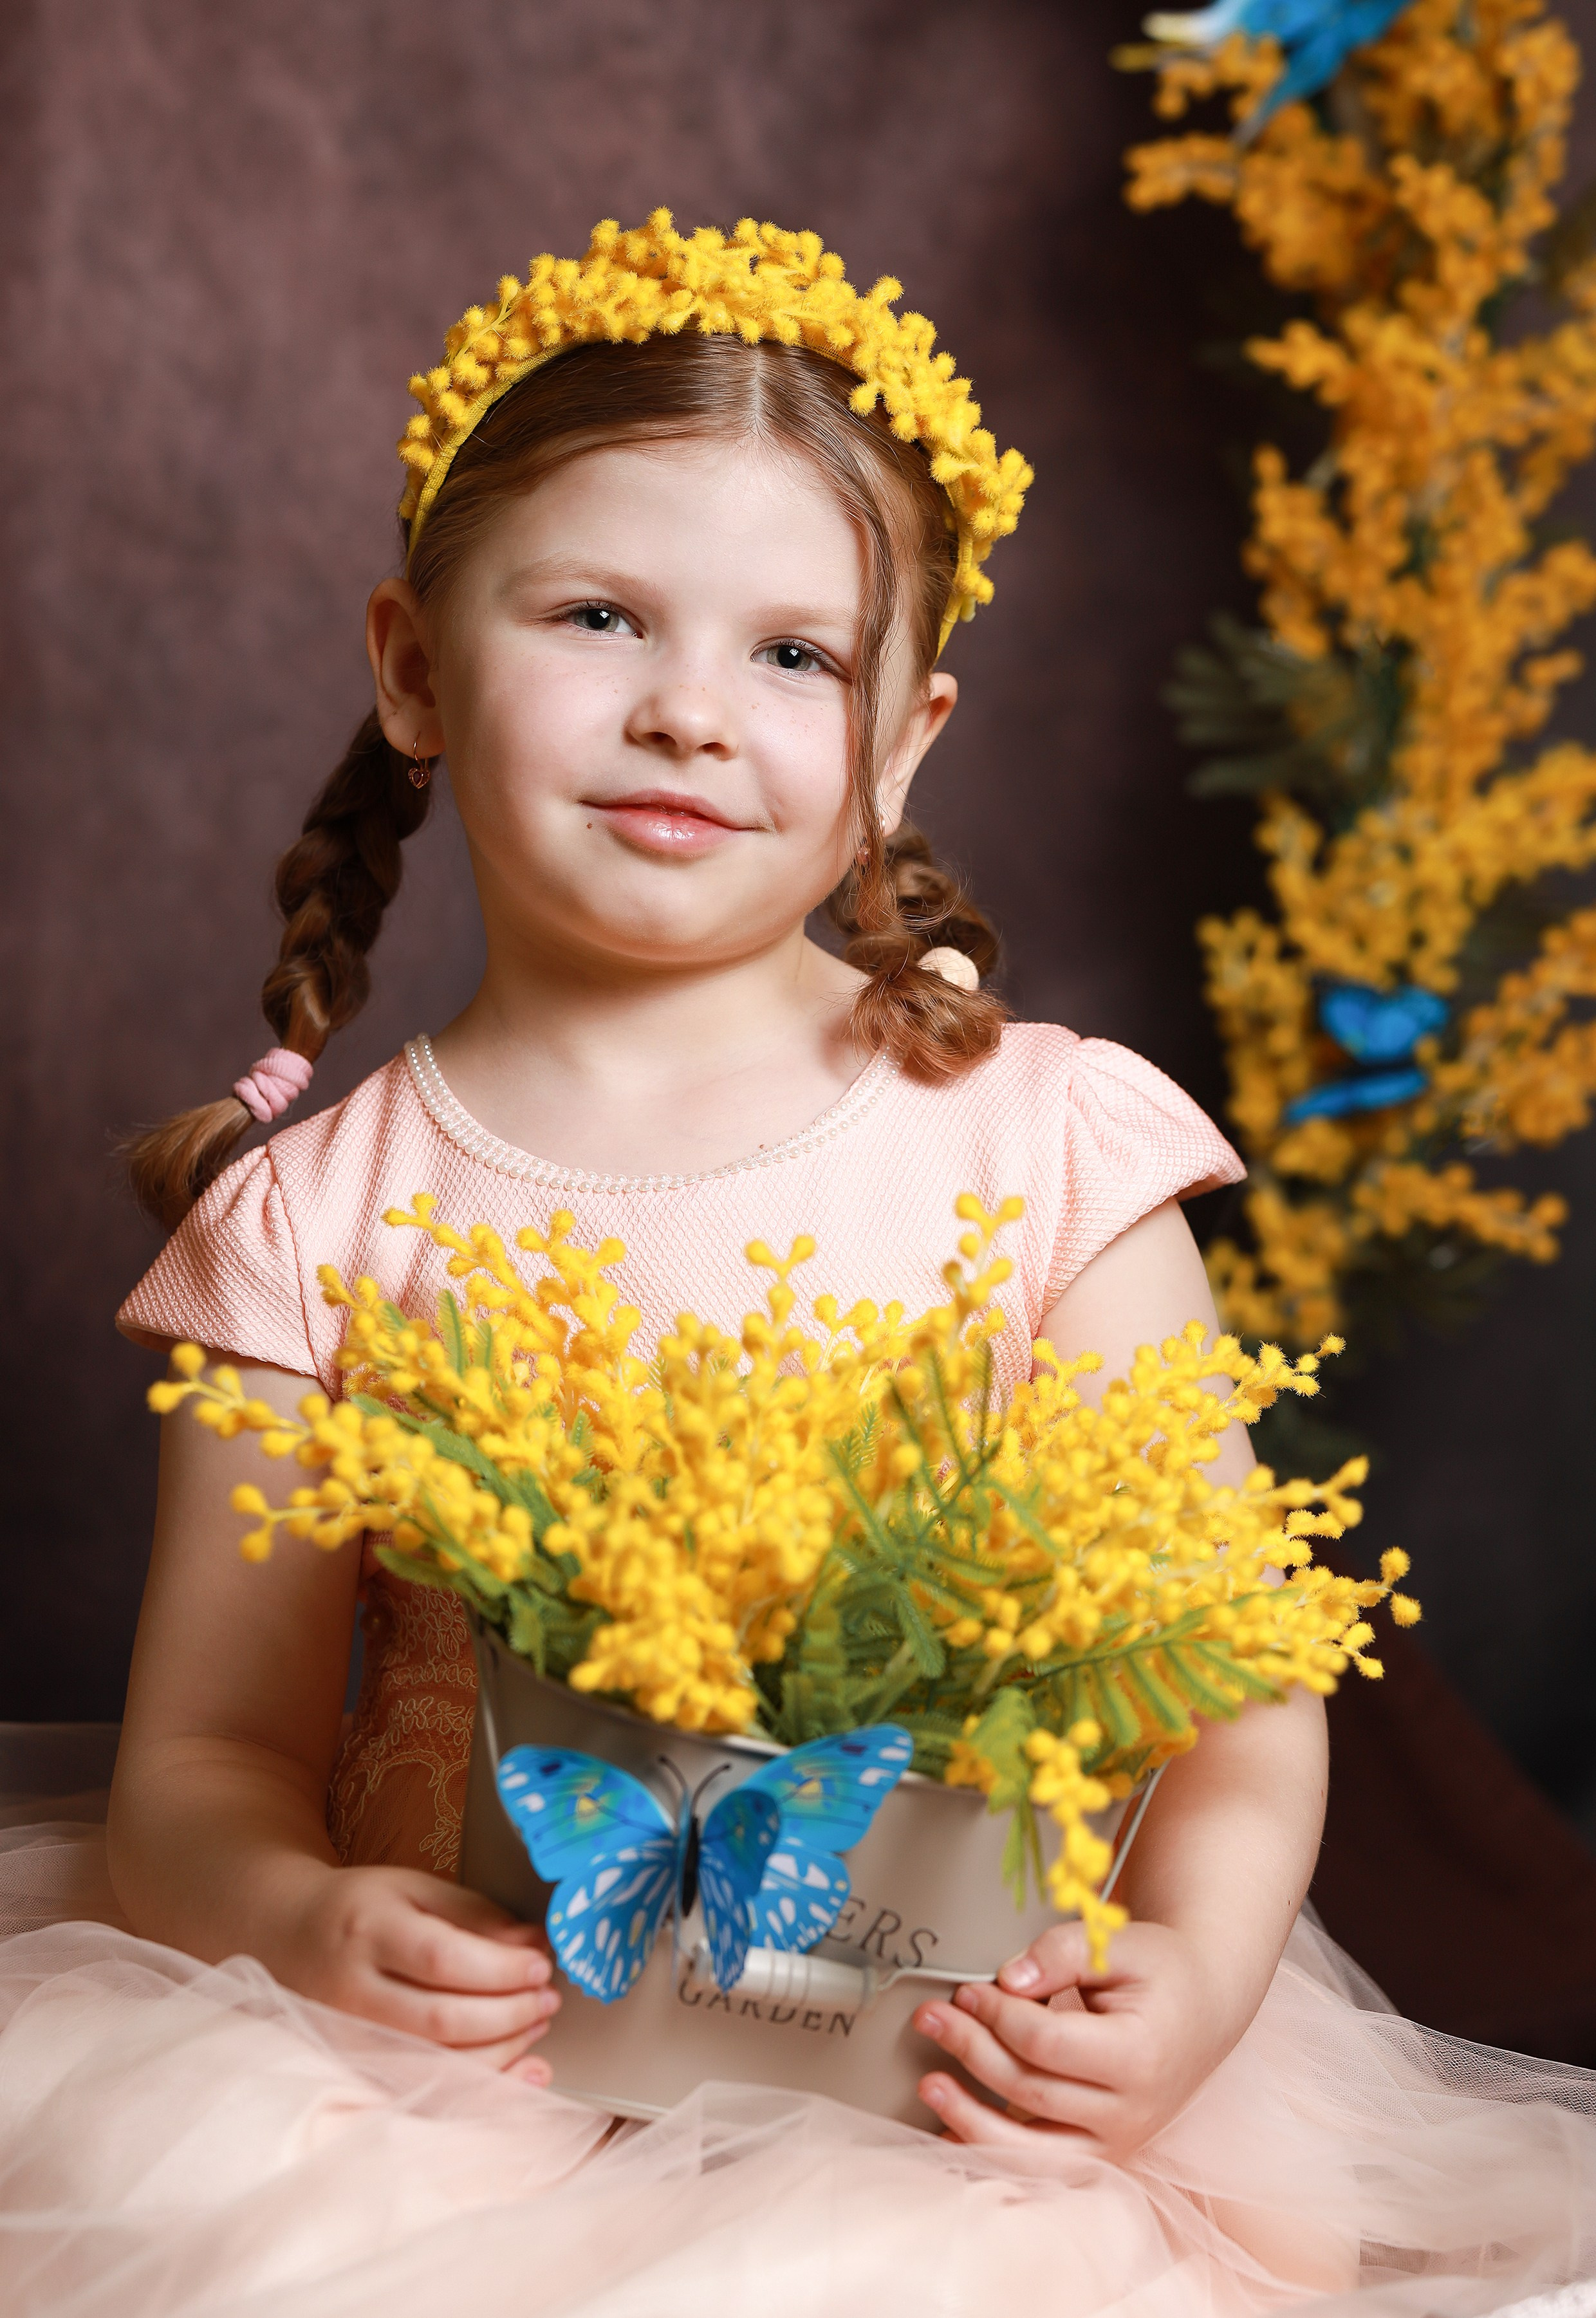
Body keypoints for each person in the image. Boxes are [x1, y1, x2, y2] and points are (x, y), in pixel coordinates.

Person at [2, 213, 1592, 2317]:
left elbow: (1237, 1693)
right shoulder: (317, 1221)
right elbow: (202, 1762)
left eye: (790, 654)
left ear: (906, 735)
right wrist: (301, 1921)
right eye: (597, 615)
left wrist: (1189, 1983)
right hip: (462, 2090)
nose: (686, 711)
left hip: (934, 2080)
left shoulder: (1038, 1144)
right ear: (410, 662)